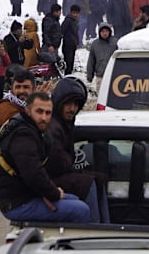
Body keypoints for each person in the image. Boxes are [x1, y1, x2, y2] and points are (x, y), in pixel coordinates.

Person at [0, 91, 91, 222]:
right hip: (17, 203)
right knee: (81, 210)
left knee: (74, 199)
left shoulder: (32, 130)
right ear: (27, 111)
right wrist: (53, 193)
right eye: (39, 111)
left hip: (25, 195)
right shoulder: (23, 136)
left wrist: (45, 192)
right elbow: (33, 173)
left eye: (48, 113)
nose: (44, 117)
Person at [46, 78, 109, 223]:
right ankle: (93, 230)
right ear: (59, 102)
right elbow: (57, 163)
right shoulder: (53, 126)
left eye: (75, 104)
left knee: (97, 180)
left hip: (58, 176)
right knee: (88, 183)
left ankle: (106, 227)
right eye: (68, 103)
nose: (72, 108)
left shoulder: (65, 124)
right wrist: (70, 162)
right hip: (50, 180)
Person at [86, 24, 118, 93]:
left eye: (106, 31)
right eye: (103, 31)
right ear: (99, 32)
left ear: (110, 32)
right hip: (100, 76)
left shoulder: (115, 43)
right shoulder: (95, 44)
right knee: (101, 96)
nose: (105, 33)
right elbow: (91, 61)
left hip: (114, 76)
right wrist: (89, 76)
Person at [61, 5, 81, 74]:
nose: (75, 15)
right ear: (71, 12)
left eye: (77, 13)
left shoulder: (75, 21)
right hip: (67, 45)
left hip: (72, 45)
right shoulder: (68, 20)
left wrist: (77, 42)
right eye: (74, 13)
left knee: (71, 64)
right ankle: (67, 78)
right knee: (68, 64)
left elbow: (75, 33)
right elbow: (62, 30)